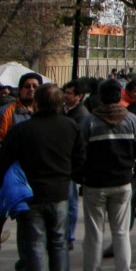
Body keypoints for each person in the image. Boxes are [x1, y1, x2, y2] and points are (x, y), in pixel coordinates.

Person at [0, 84, 85, 271]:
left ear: (37, 103)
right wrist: (68, 175)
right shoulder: (70, 126)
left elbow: (3, 160)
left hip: (32, 194)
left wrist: (2, 183)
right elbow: (80, 158)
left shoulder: (24, 129)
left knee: (35, 245)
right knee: (58, 243)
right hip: (59, 192)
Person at [71, 79, 136, 271]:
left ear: (100, 97)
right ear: (120, 95)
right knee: (121, 233)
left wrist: (81, 177)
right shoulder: (133, 120)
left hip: (95, 184)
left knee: (94, 234)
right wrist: (134, 173)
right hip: (122, 183)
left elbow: (77, 154)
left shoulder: (89, 123)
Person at [0, 71, 39, 271]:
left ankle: (24, 263)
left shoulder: (41, 112)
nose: (31, 89)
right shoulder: (6, 112)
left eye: (35, 86)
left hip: (30, 177)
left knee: (26, 221)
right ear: (20, 89)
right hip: (6, 175)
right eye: (27, 86)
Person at [62, 80, 91, 251]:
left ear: (79, 96)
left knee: (71, 201)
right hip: (62, 161)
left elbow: (79, 143)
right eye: (65, 92)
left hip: (71, 163)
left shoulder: (82, 115)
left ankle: (69, 235)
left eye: (69, 93)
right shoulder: (63, 110)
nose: (65, 96)